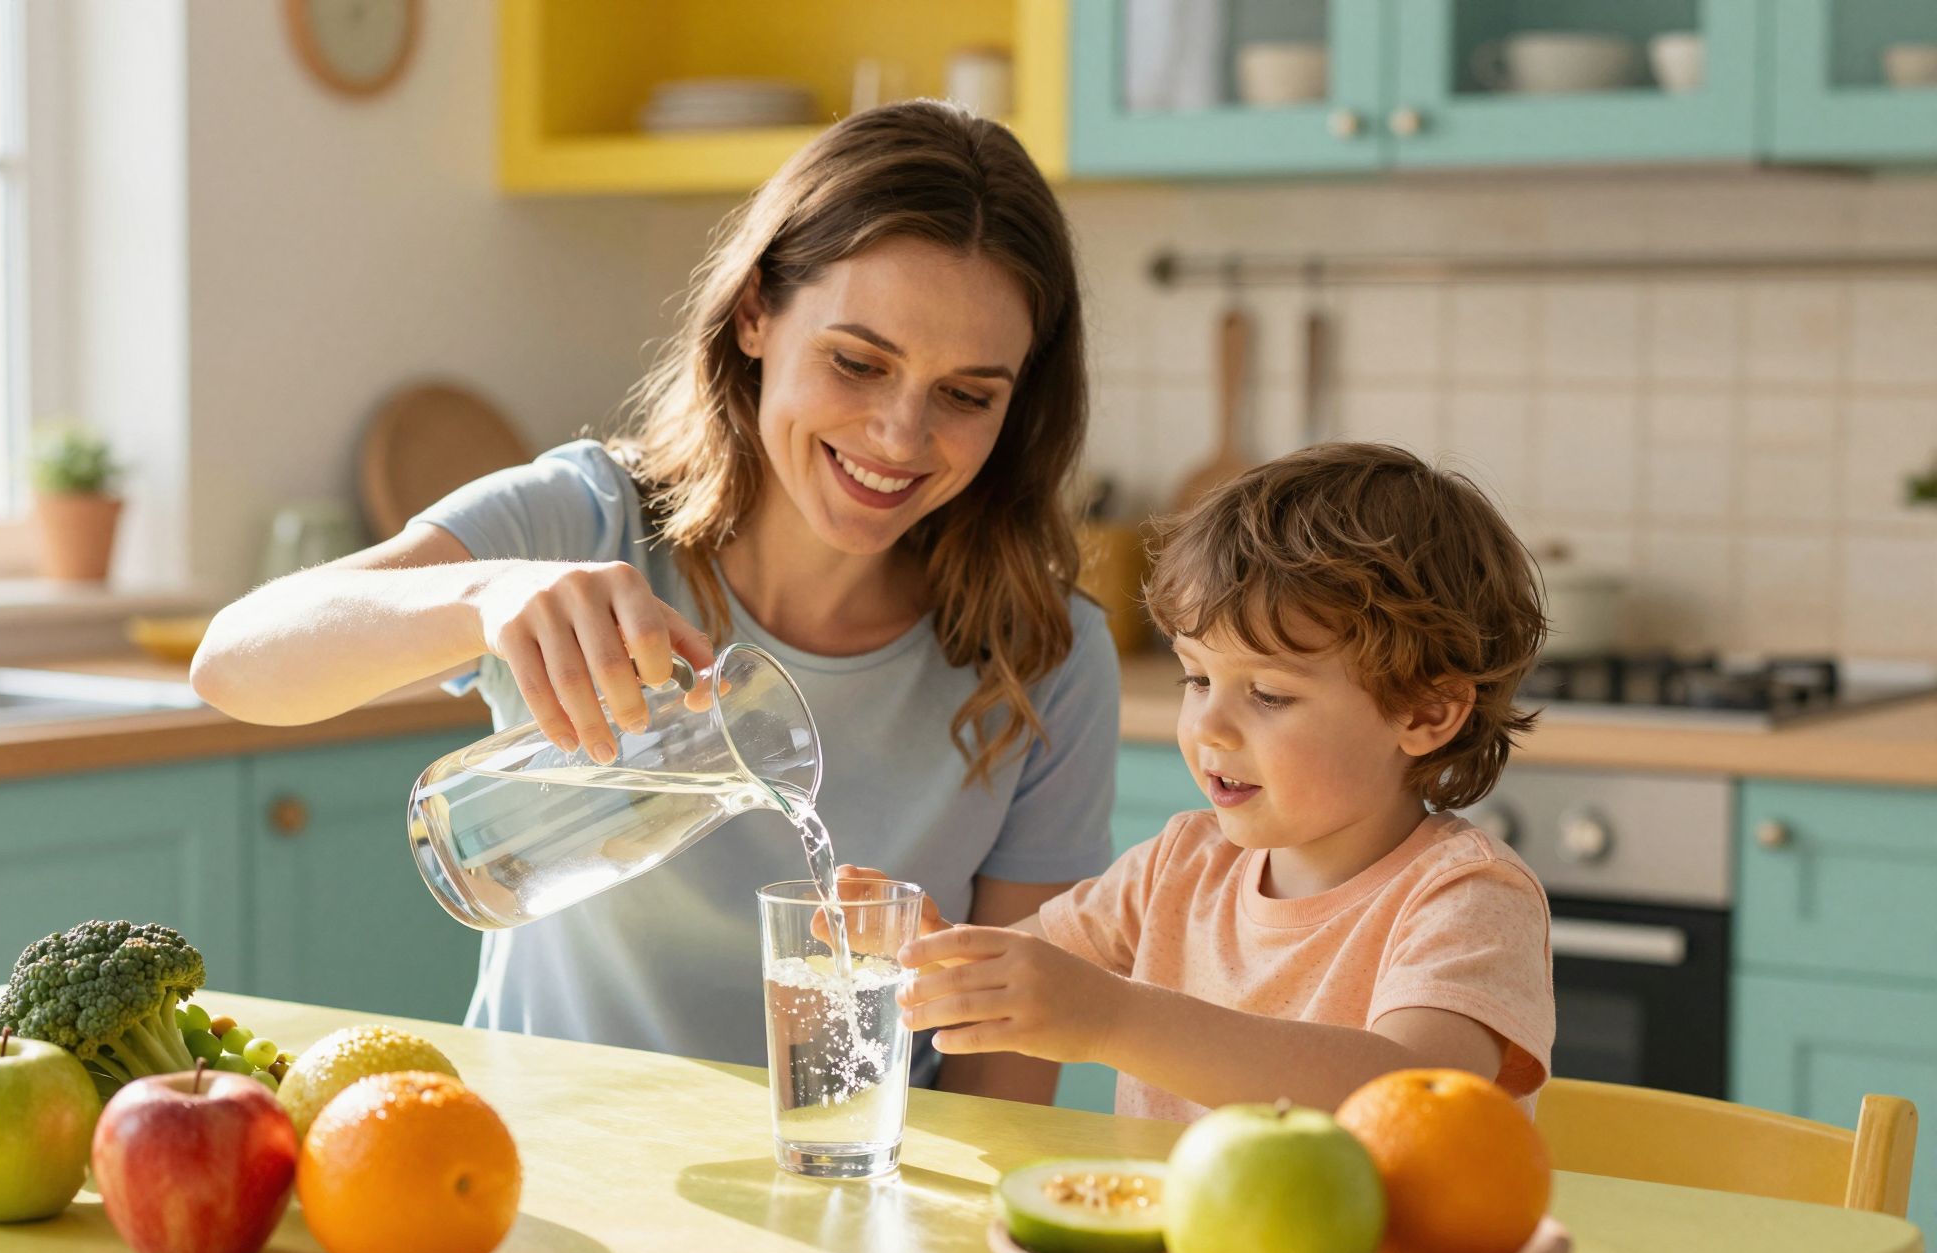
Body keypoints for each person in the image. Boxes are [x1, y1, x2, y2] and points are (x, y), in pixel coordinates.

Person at [190, 101, 1117, 1105]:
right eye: (856, 362)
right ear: (756, 312)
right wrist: (485, 594)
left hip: (848, 1207)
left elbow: (1000, 1083)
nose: (899, 435)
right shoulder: (590, 523)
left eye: (967, 395)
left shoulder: (1043, 658)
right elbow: (235, 664)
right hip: (541, 1184)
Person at [882, 442, 1554, 1118]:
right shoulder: (1178, 870)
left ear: (1427, 711)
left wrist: (1114, 1020)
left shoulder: (1466, 898)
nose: (1210, 727)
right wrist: (922, 947)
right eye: (1197, 678)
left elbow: (1407, 1098)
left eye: (1267, 693)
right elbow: (1012, 973)